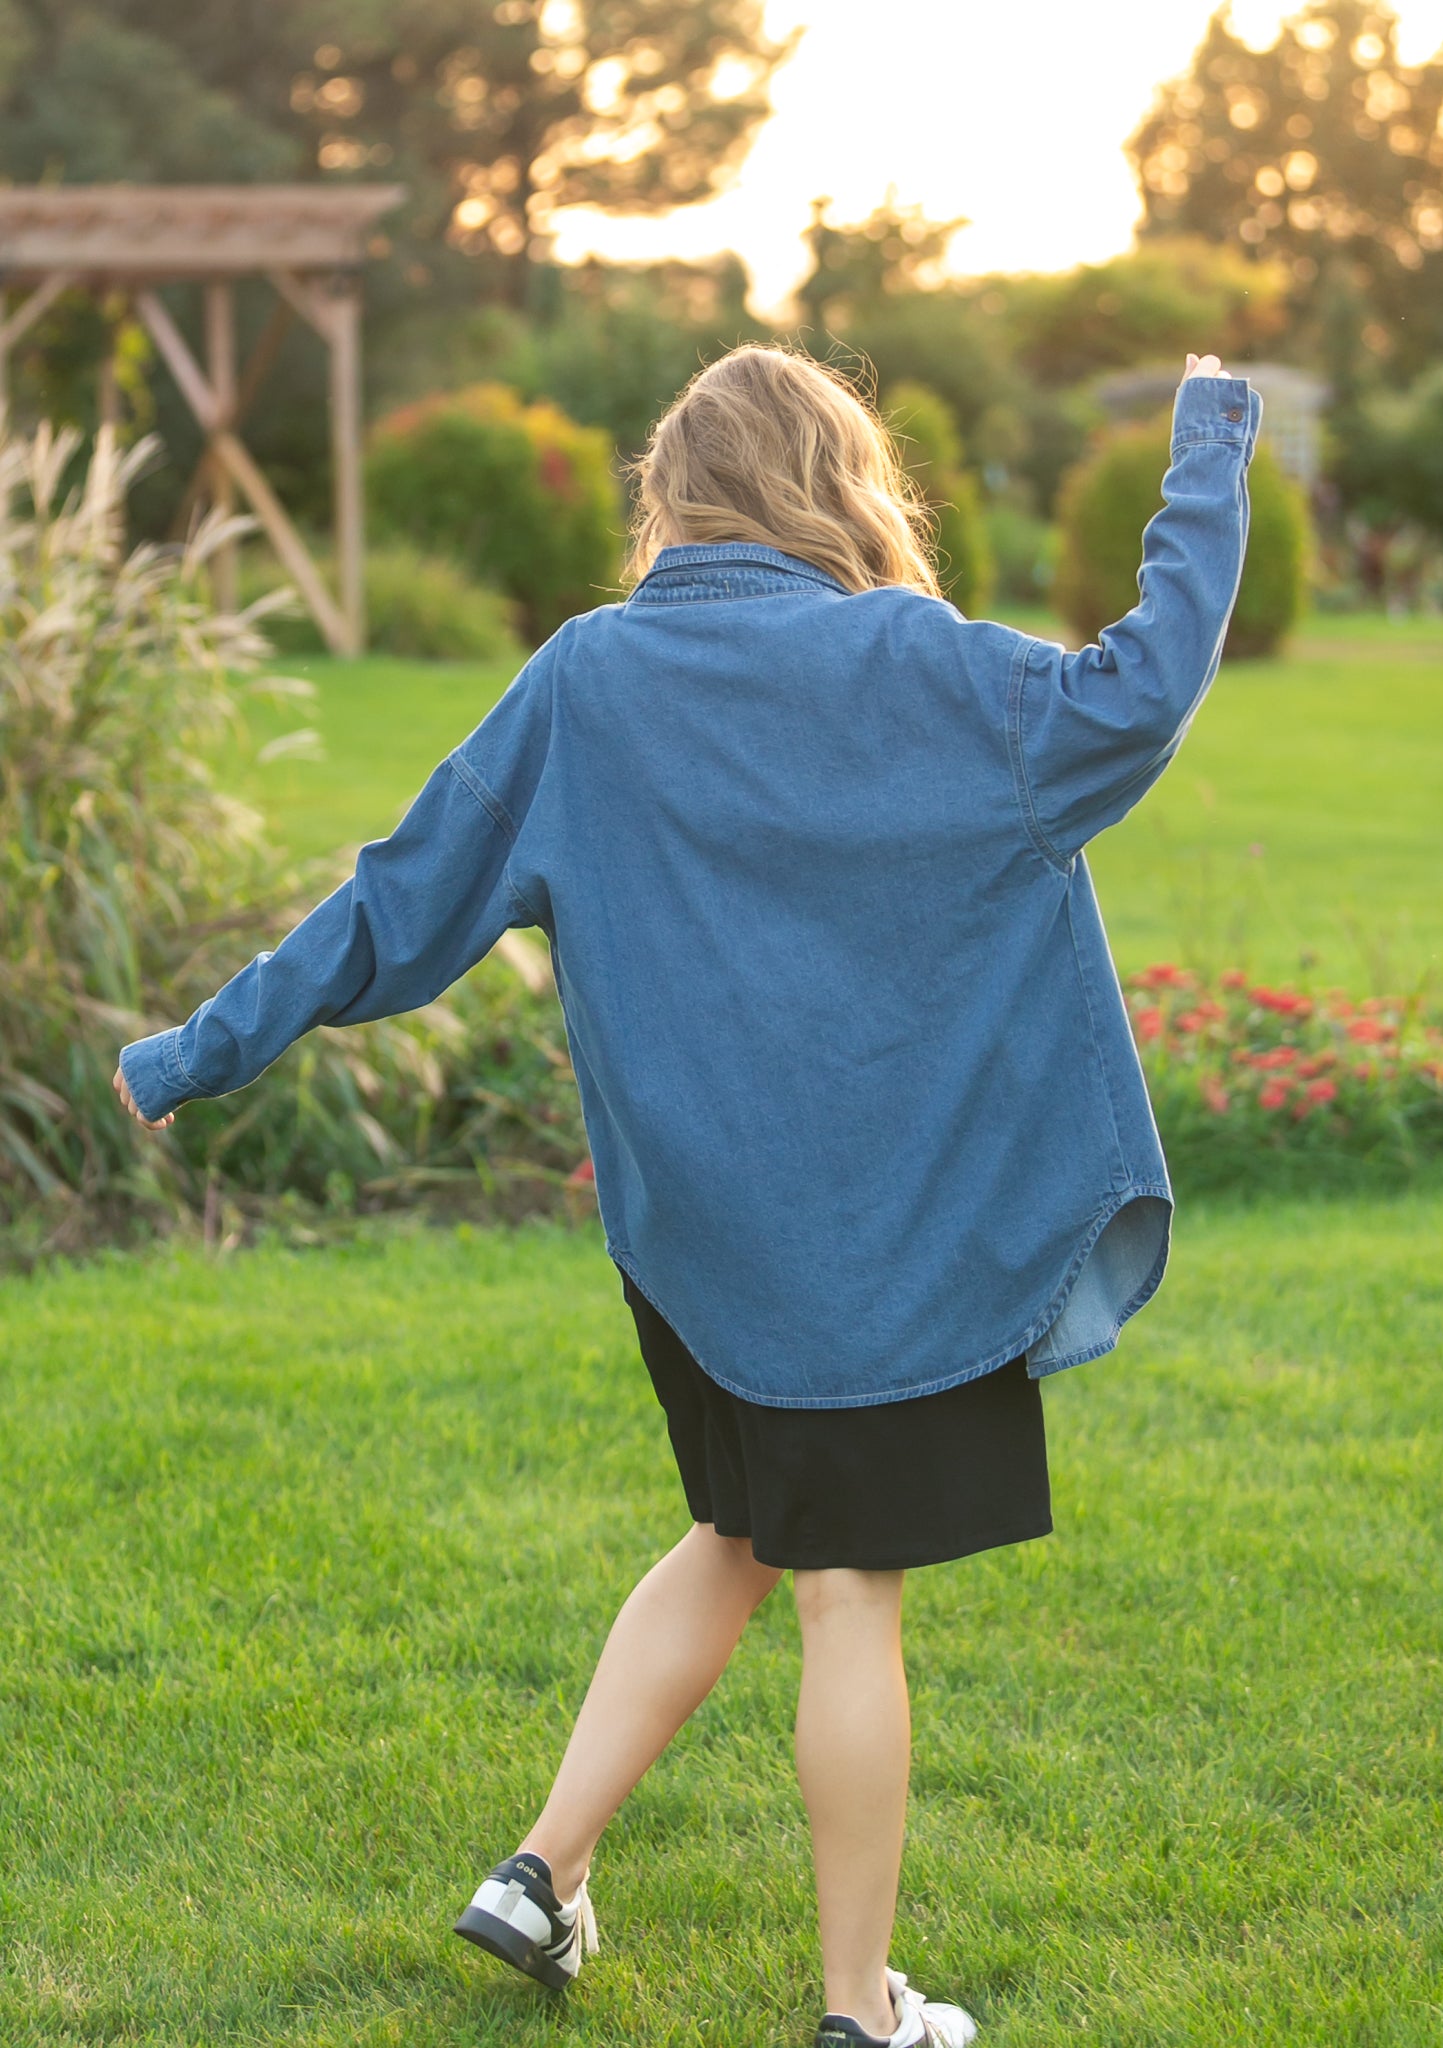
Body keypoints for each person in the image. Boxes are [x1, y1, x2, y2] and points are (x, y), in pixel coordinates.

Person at [116, 343, 1260, 2047]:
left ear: (675, 497)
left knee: (740, 1534)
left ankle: (542, 1872)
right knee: (847, 1592)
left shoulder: (588, 681)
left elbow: (396, 901)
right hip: (891, 1242)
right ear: (840, 480)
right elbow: (1146, 685)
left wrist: (191, 1054)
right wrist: (1210, 440)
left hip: (704, 1254)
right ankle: (862, 2013)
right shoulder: (927, 670)